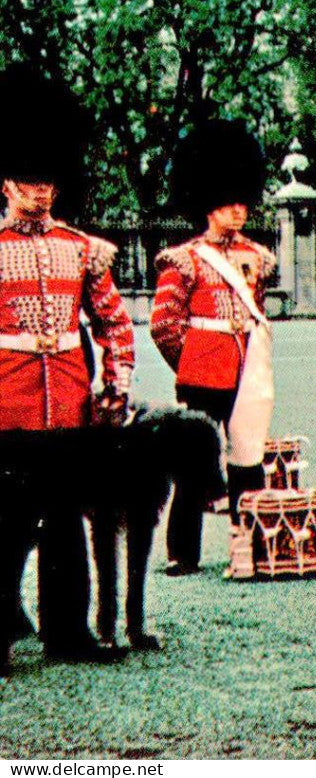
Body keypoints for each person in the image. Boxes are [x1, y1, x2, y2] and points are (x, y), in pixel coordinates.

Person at [0, 66, 135, 674]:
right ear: (6, 183)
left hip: (71, 403)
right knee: (4, 528)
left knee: (64, 525)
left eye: (47, 180)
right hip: (9, 406)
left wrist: (115, 382)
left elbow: (114, 323)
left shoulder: (81, 249)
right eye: (30, 181)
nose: (41, 192)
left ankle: (68, 631)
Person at [150, 119, 276, 575]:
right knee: (194, 464)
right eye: (228, 202)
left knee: (248, 458)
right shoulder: (185, 259)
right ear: (208, 203)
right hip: (203, 373)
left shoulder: (257, 257)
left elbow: (255, 314)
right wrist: (191, 362)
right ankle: (183, 552)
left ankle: (248, 546)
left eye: (242, 202)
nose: (238, 211)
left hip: (247, 370)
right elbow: (164, 325)